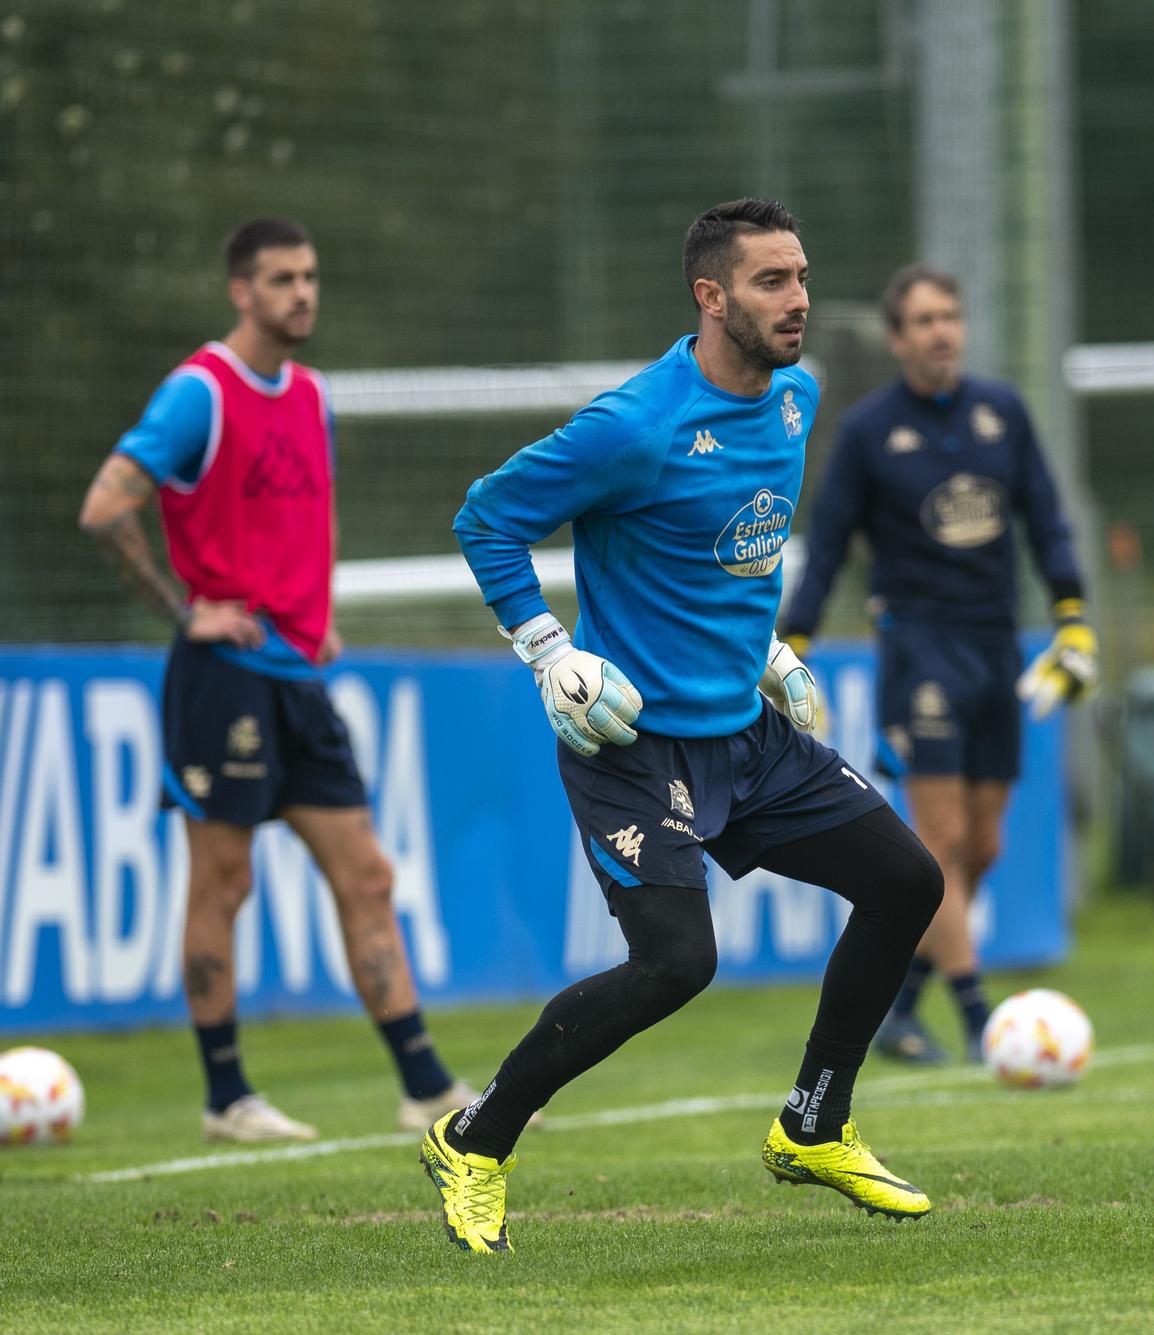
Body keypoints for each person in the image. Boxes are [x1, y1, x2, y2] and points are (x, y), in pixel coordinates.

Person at [424, 199, 945, 1254]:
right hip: (632, 748)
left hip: (745, 740)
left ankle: (814, 1123)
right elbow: (486, 515)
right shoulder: (635, 423)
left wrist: (763, 652)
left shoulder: (795, 398)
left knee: (906, 882)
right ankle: (475, 1137)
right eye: (768, 282)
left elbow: (723, 553)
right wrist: (547, 651)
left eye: (799, 276)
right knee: (674, 963)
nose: (795, 300)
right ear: (709, 297)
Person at [77, 217, 478, 1143]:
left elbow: (298, 518)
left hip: (298, 675)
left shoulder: (310, 394)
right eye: (282, 278)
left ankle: (425, 1084)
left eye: (310, 275)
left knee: (367, 875)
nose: (303, 292)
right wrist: (186, 612)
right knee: (224, 881)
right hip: (221, 676)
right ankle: (227, 1097)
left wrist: (314, 614)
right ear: (240, 292)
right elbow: (106, 508)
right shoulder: (199, 394)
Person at [779, 262, 1097, 1066]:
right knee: (941, 838)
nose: (941, 331)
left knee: (982, 847)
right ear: (896, 339)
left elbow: (1048, 521)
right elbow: (829, 544)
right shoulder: (869, 432)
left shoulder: (1003, 414)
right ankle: (984, 1016)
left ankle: (901, 1007)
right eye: (923, 320)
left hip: (998, 644)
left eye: (949, 315)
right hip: (920, 647)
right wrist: (797, 642)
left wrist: (1072, 617)